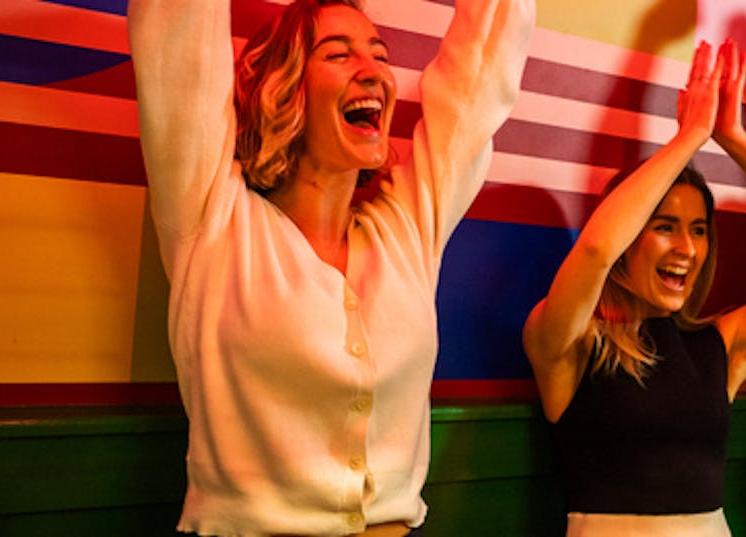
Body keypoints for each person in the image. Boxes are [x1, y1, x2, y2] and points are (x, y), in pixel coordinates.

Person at [128, 0, 532, 534]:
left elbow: (480, 78)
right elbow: (177, 29)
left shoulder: (406, 233)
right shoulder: (213, 221)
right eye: (337, 55)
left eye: (379, 55)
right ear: (283, 86)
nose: (372, 71)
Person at [521, 39, 746, 536]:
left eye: (699, 230)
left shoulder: (719, 346)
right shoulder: (570, 339)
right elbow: (595, 252)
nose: (688, 249)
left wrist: (735, 138)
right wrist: (687, 139)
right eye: (665, 226)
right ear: (630, 235)